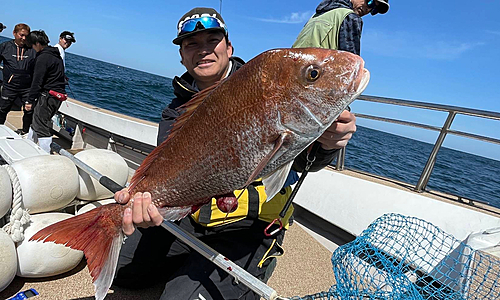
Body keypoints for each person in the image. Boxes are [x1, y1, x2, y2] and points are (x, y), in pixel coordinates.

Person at [113, 7, 356, 300]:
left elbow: (305, 160)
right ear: (181, 56)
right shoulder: (175, 111)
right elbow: (172, 173)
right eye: (191, 44)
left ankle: (236, 270)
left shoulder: (268, 86)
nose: (202, 50)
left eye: (212, 40)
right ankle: (191, 266)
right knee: (123, 270)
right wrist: (144, 202)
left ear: (229, 47)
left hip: (249, 229)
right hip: (194, 219)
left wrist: (328, 144)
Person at [292, 0, 390, 55]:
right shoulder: (350, 17)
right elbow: (350, 64)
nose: (368, 9)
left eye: (374, 9)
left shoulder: (317, 15)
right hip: (318, 83)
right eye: (370, 2)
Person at [25, 30, 67, 153]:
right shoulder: (55, 55)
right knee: (37, 121)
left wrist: (29, 100)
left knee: (41, 126)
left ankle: (45, 156)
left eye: (32, 45)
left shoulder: (43, 57)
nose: (32, 48)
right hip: (57, 97)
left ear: (37, 43)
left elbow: (37, 82)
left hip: (48, 96)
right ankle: (28, 145)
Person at [0, 23, 36, 135]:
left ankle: (25, 132)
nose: (24, 38)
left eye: (26, 36)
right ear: (14, 33)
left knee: (29, 111)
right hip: (9, 86)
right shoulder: (5, 46)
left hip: (27, 88)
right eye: (21, 35)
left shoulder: (32, 49)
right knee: (2, 109)